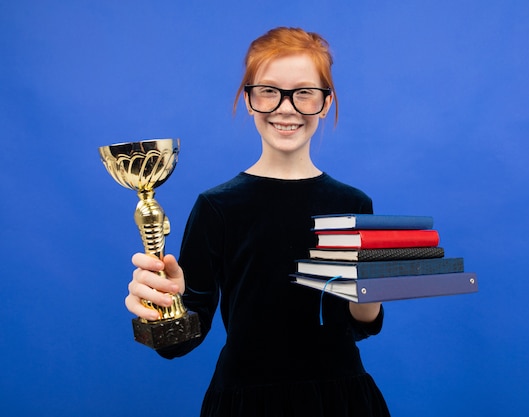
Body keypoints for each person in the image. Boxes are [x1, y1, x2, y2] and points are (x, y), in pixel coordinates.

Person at [127, 27, 391, 417]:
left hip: (341, 399)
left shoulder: (353, 204)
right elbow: (177, 343)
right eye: (269, 91)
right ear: (249, 100)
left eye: (304, 92)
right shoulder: (217, 206)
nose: (286, 108)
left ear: (325, 102)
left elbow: (356, 326)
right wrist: (164, 306)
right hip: (247, 401)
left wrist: (371, 294)